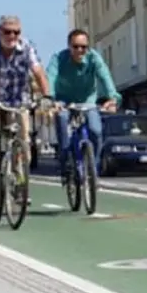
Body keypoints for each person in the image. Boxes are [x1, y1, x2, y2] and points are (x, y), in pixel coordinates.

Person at [0, 15, 51, 182]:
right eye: (7, 32)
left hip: (18, 101)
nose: (12, 36)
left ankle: (20, 182)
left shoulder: (27, 47)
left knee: (24, 141)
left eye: (16, 32)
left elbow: (38, 71)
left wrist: (47, 95)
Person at [47, 28, 120, 184]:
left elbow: (105, 77)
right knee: (62, 118)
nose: (80, 50)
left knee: (96, 130)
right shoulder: (58, 59)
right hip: (63, 101)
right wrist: (51, 100)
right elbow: (50, 78)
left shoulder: (94, 58)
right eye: (76, 47)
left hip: (87, 101)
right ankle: (66, 161)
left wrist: (112, 98)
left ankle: (93, 169)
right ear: (69, 46)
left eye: (83, 47)